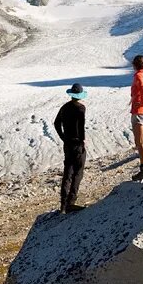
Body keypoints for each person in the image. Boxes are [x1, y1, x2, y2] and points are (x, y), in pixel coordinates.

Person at [54, 83, 87, 213]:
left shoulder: (64, 108)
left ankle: (63, 204)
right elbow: (81, 126)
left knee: (68, 171)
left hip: (67, 143)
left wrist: (63, 137)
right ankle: (71, 202)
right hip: (77, 143)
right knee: (78, 172)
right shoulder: (81, 108)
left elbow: (56, 123)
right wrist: (82, 140)